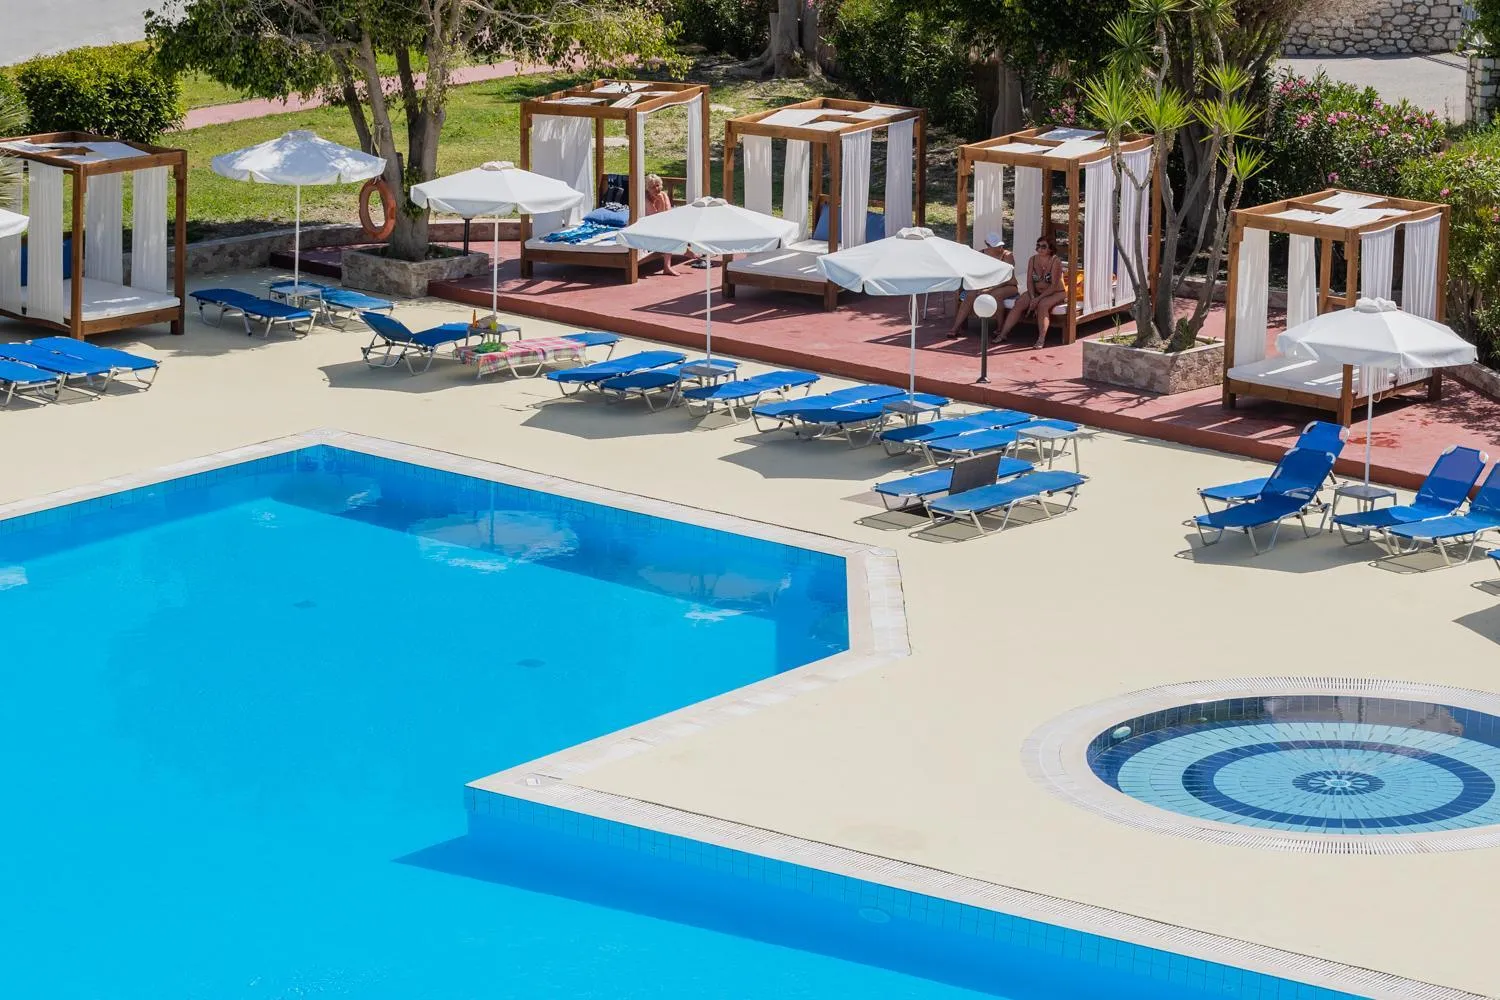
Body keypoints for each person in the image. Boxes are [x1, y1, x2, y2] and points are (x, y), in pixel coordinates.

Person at [998, 236, 1067, 350]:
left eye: (1043, 247)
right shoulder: (1033, 259)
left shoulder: (1056, 261)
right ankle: (1003, 334)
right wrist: (1032, 296)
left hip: (1055, 292)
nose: (1040, 249)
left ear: (1050, 249)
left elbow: (1054, 285)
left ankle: (1041, 338)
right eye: (1038, 246)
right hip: (1036, 292)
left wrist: (1037, 300)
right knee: (1019, 302)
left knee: (1042, 305)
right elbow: (1029, 281)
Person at [950, 233, 1017, 336]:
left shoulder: (1007, 255)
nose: (1000, 247)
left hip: (1008, 285)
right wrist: (980, 287)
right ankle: (955, 328)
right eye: (996, 245)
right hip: (987, 284)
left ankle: (1000, 328)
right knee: (970, 294)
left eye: (1000, 245)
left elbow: (1007, 278)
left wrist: (989, 289)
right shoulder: (980, 254)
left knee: (996, 294)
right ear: (987, 245)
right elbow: (976, 274)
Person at [643, 174, 680, 276]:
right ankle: (685, 251)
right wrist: (661, 202)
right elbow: (655, 219)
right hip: (648, 227)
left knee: (670, 228)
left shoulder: (663, 195)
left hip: (661, 225)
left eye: (658, 185)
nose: (656, 189)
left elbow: (667, 215)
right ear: (647, 189)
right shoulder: (645, 199)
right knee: (668, 232)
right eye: (653, 187)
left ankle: (667, 266)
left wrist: (662, 201)